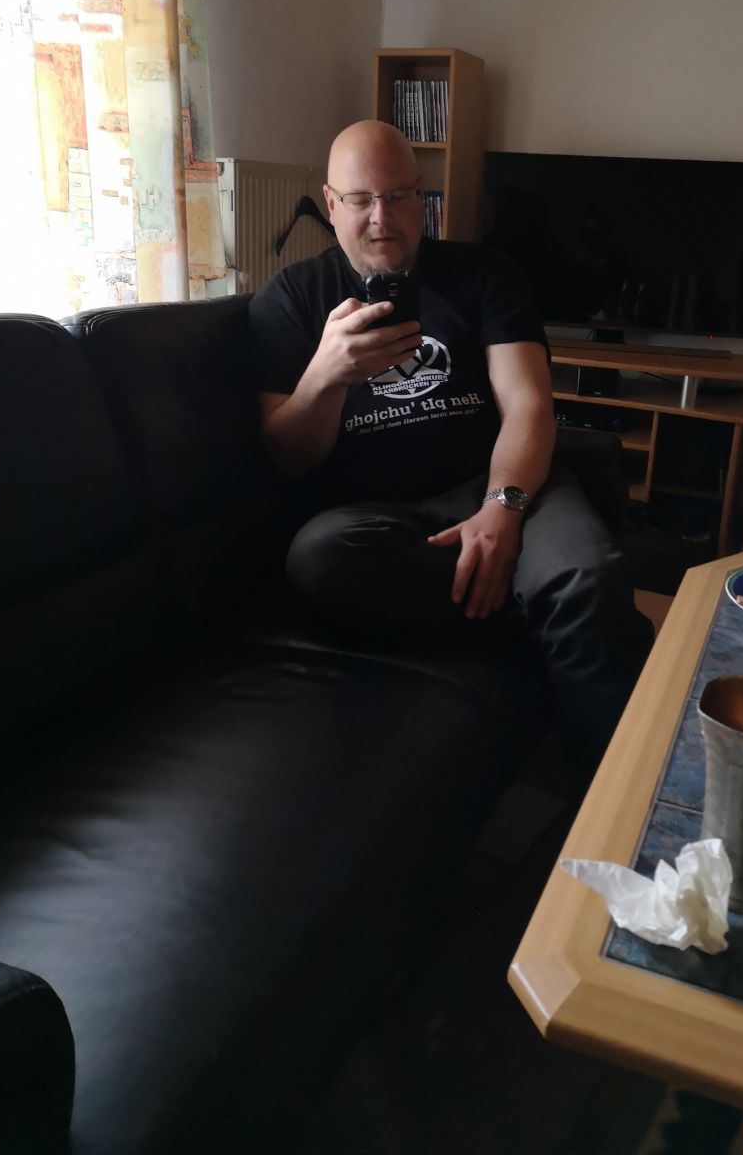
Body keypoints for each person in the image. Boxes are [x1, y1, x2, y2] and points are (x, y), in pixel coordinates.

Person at [249, 120, 652, 782]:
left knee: (587, 573)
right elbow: (289, 457)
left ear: (422, 198)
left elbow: (528, 404)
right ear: (331, 203)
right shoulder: (290, 299)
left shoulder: (485, 273)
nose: (382, 219)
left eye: (398, 196)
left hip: (503, 485)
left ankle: (614, 798)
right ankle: (538, 606)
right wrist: (325, 375)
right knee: (317, 559)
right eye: (361, 200)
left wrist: (503, 510)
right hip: (381, 519)